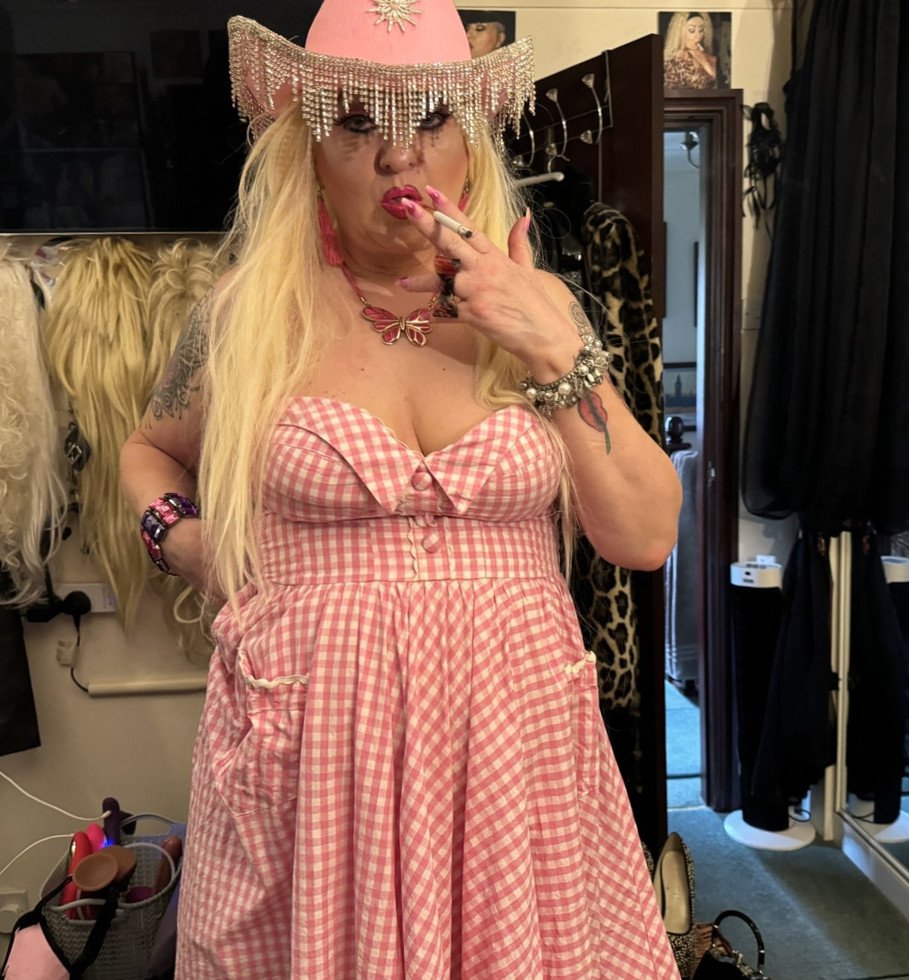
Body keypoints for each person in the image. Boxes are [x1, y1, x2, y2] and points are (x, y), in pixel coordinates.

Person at [120, 0, 682, 975]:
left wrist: (548, 344)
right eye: (355, 122)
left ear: (469, 137)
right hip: (313, 765)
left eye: (430, 117)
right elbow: (147, 451)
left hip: (512, 757)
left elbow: (643, 533)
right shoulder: (245, 317)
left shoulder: (544, 306)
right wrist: (188, 541)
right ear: (307, 145)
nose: (398, 156)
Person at [663, 11, 718, 90]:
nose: (698, 36)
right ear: (680, 33)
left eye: (701, 30)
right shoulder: (673, 62)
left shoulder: (709, 57)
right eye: (692, 30)